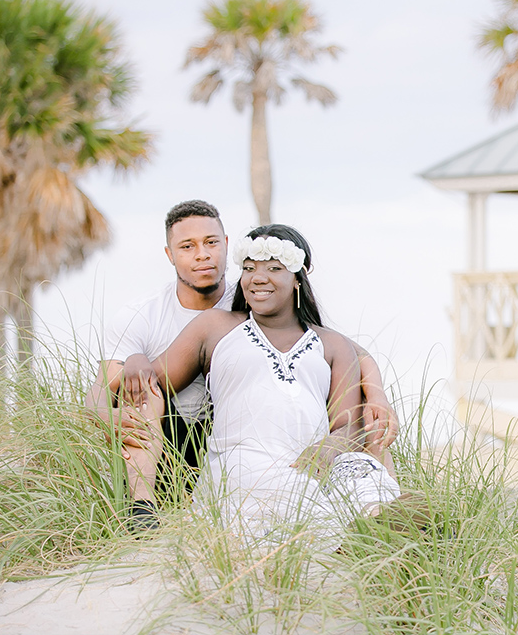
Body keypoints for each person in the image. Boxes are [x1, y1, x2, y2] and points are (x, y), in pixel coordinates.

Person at [84, 201, 398, 530]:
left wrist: (368, 406)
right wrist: (130, 366)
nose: (258, 277)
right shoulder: (209, 324)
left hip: (307, 459)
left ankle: (392, 518)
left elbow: (351, 401)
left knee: (362, 461)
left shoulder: (329, 342)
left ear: (298, 277)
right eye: (249, 268)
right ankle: (141, 507)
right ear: (170, 254)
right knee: (143, 386)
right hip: (215, 447)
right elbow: (133, 381)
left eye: (274, 268)